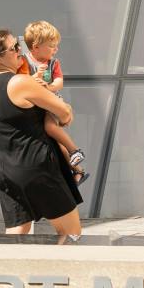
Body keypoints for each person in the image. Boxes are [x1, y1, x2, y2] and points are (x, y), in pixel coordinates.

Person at [0, 30, 82, 240]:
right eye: (14, 48)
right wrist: (65, 109)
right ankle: (60, 272)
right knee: (71, 234)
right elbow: (64, 113)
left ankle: (5, 272)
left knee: (16, 234)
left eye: (19, 46)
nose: (19, 51)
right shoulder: (20, 82)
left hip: (7, 172)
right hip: (38, 168)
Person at [21, 19, 87, 181]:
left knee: (50, 127)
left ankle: (74, 150)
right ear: (36, 47)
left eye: (56, 45)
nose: (56, 49)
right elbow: (23, 81)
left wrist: (48, 87)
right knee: (55, 143)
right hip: (36, 107)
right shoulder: (24, 61)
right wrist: (35, 77)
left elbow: (59, 82)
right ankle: (77, 170)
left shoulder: (53, 63)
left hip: (51, 102)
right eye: (52, 46)